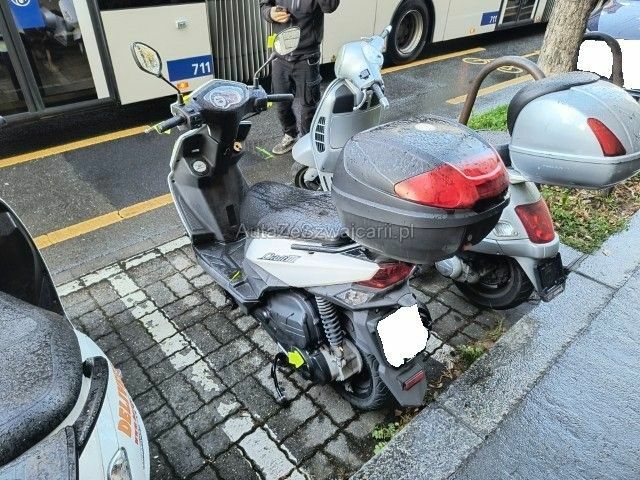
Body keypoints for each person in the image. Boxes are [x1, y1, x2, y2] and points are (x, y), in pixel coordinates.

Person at [259, 0, 340, 154]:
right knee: (281, 102)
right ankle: (290, 134)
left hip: (307, 56)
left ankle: (308, 144)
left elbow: (329, 6)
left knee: (308, 105)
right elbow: (264, 5)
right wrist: (270, 13)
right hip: (280, 53)